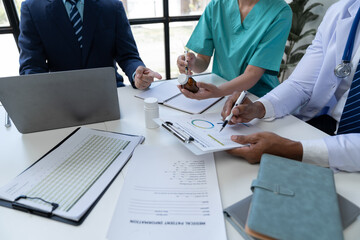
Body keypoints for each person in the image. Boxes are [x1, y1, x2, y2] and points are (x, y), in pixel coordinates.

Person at [221, 0, 360, 172]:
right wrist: (259, 107)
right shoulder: (341, 12)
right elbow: (300, 84)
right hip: (325, 129)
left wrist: (291, 149)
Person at [18, 0, 161, 89]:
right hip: (60, 98)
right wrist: (35, 94)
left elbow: (128, 55)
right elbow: (32, 66)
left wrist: (137, 74)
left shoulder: (112, 6)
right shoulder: (32, 8)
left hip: (110, 92)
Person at [176, 0, 292, 99]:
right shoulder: (217, 5)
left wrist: (218, 91)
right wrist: (192, 62)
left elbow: (253, 73)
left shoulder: (280, 12)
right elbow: (203, 61)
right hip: (220, 92)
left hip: (257, 98)